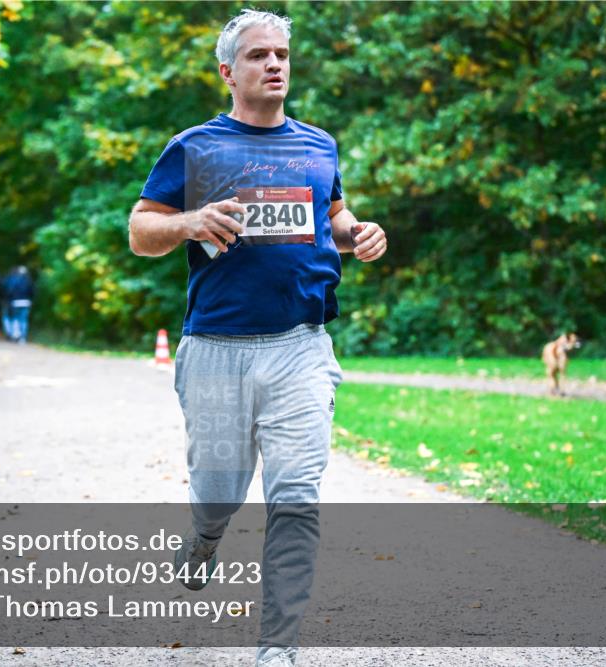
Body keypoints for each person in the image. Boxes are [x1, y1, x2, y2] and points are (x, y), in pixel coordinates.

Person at [127, 9, 387, 667]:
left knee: (296, 492)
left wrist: (359, 233)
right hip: (217, 348)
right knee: (218, 488)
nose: (274, 64)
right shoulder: (195, 147)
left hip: (302, 345)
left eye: (282, 55)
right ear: (228, 71)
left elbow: (333, 212)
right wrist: (190, 221)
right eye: (258, 55)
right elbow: (140, 230)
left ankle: (278, 646)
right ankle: (205, 535)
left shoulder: (318, 144)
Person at [4, 266, 34, 343]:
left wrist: (10, 300)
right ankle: (23, 337)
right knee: (23, 320)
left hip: (15, 302)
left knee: (16, 319)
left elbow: (10, 291)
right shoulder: (29, 280)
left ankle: (15, 334)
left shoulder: (15, 280)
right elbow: (32, 292)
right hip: (26, 302)